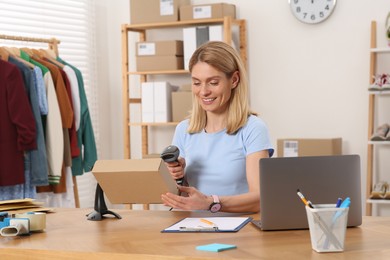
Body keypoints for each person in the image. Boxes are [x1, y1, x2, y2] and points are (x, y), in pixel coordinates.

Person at [161, 41, 274, 213]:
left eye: (213, 82)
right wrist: (178, 178)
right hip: (194, 228)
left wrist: (210, 202)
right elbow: (184, 198)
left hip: (240, 231)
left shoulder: (253, 128)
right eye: (197, 83)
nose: (203, 91)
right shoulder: (184, 129)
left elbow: (259, 199)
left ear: (234, 80)